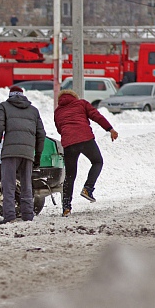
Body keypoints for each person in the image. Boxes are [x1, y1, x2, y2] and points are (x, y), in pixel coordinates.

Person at [54, 89, 119, 217]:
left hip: (68, 142)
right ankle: (88, 188)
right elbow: (97, 116)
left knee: (70, 175)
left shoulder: (58, 111)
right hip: (85, 138)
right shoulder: (81, 103)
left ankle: (66, 208)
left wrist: (69, 135)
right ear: (74, 97)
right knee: (97, 161)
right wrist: (110, 129)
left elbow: (59, 128)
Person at [0, 85, 45, 224]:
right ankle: (28, 215)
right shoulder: (33, 110)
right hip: (27, 153)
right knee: (26, 184)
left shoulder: (4, 106)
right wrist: (37, 155)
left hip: (10, 152)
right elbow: (41, 134)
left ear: (10, 95)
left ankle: (9, 216)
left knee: (8, 184)